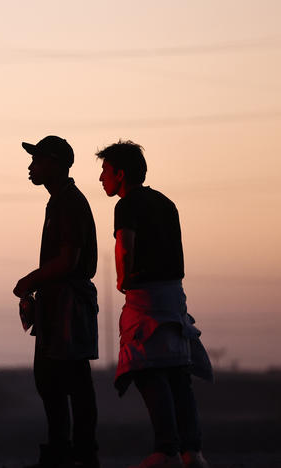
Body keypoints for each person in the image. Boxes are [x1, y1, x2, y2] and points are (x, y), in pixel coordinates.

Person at [96, 141, 213, 468]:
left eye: (105, 172)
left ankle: (167, 450)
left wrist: (123, 279)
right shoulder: (165, 203)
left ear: (120, 174)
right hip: (174, 296)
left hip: (146, 299)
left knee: (148, 369)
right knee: (177, 373)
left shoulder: (127, 204)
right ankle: (193, 452)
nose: (101, 179)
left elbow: (125, 245)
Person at [14, 135, 100, 468]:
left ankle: (77, 454)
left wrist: (29, 281)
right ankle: (67, 452)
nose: (30, 167)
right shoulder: (62, 200)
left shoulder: (68, 202)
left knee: (70, 381)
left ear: (53, 162)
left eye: (36, 160)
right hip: (58, 302)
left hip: (68, 304)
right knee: (55, 380)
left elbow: (68, 260)